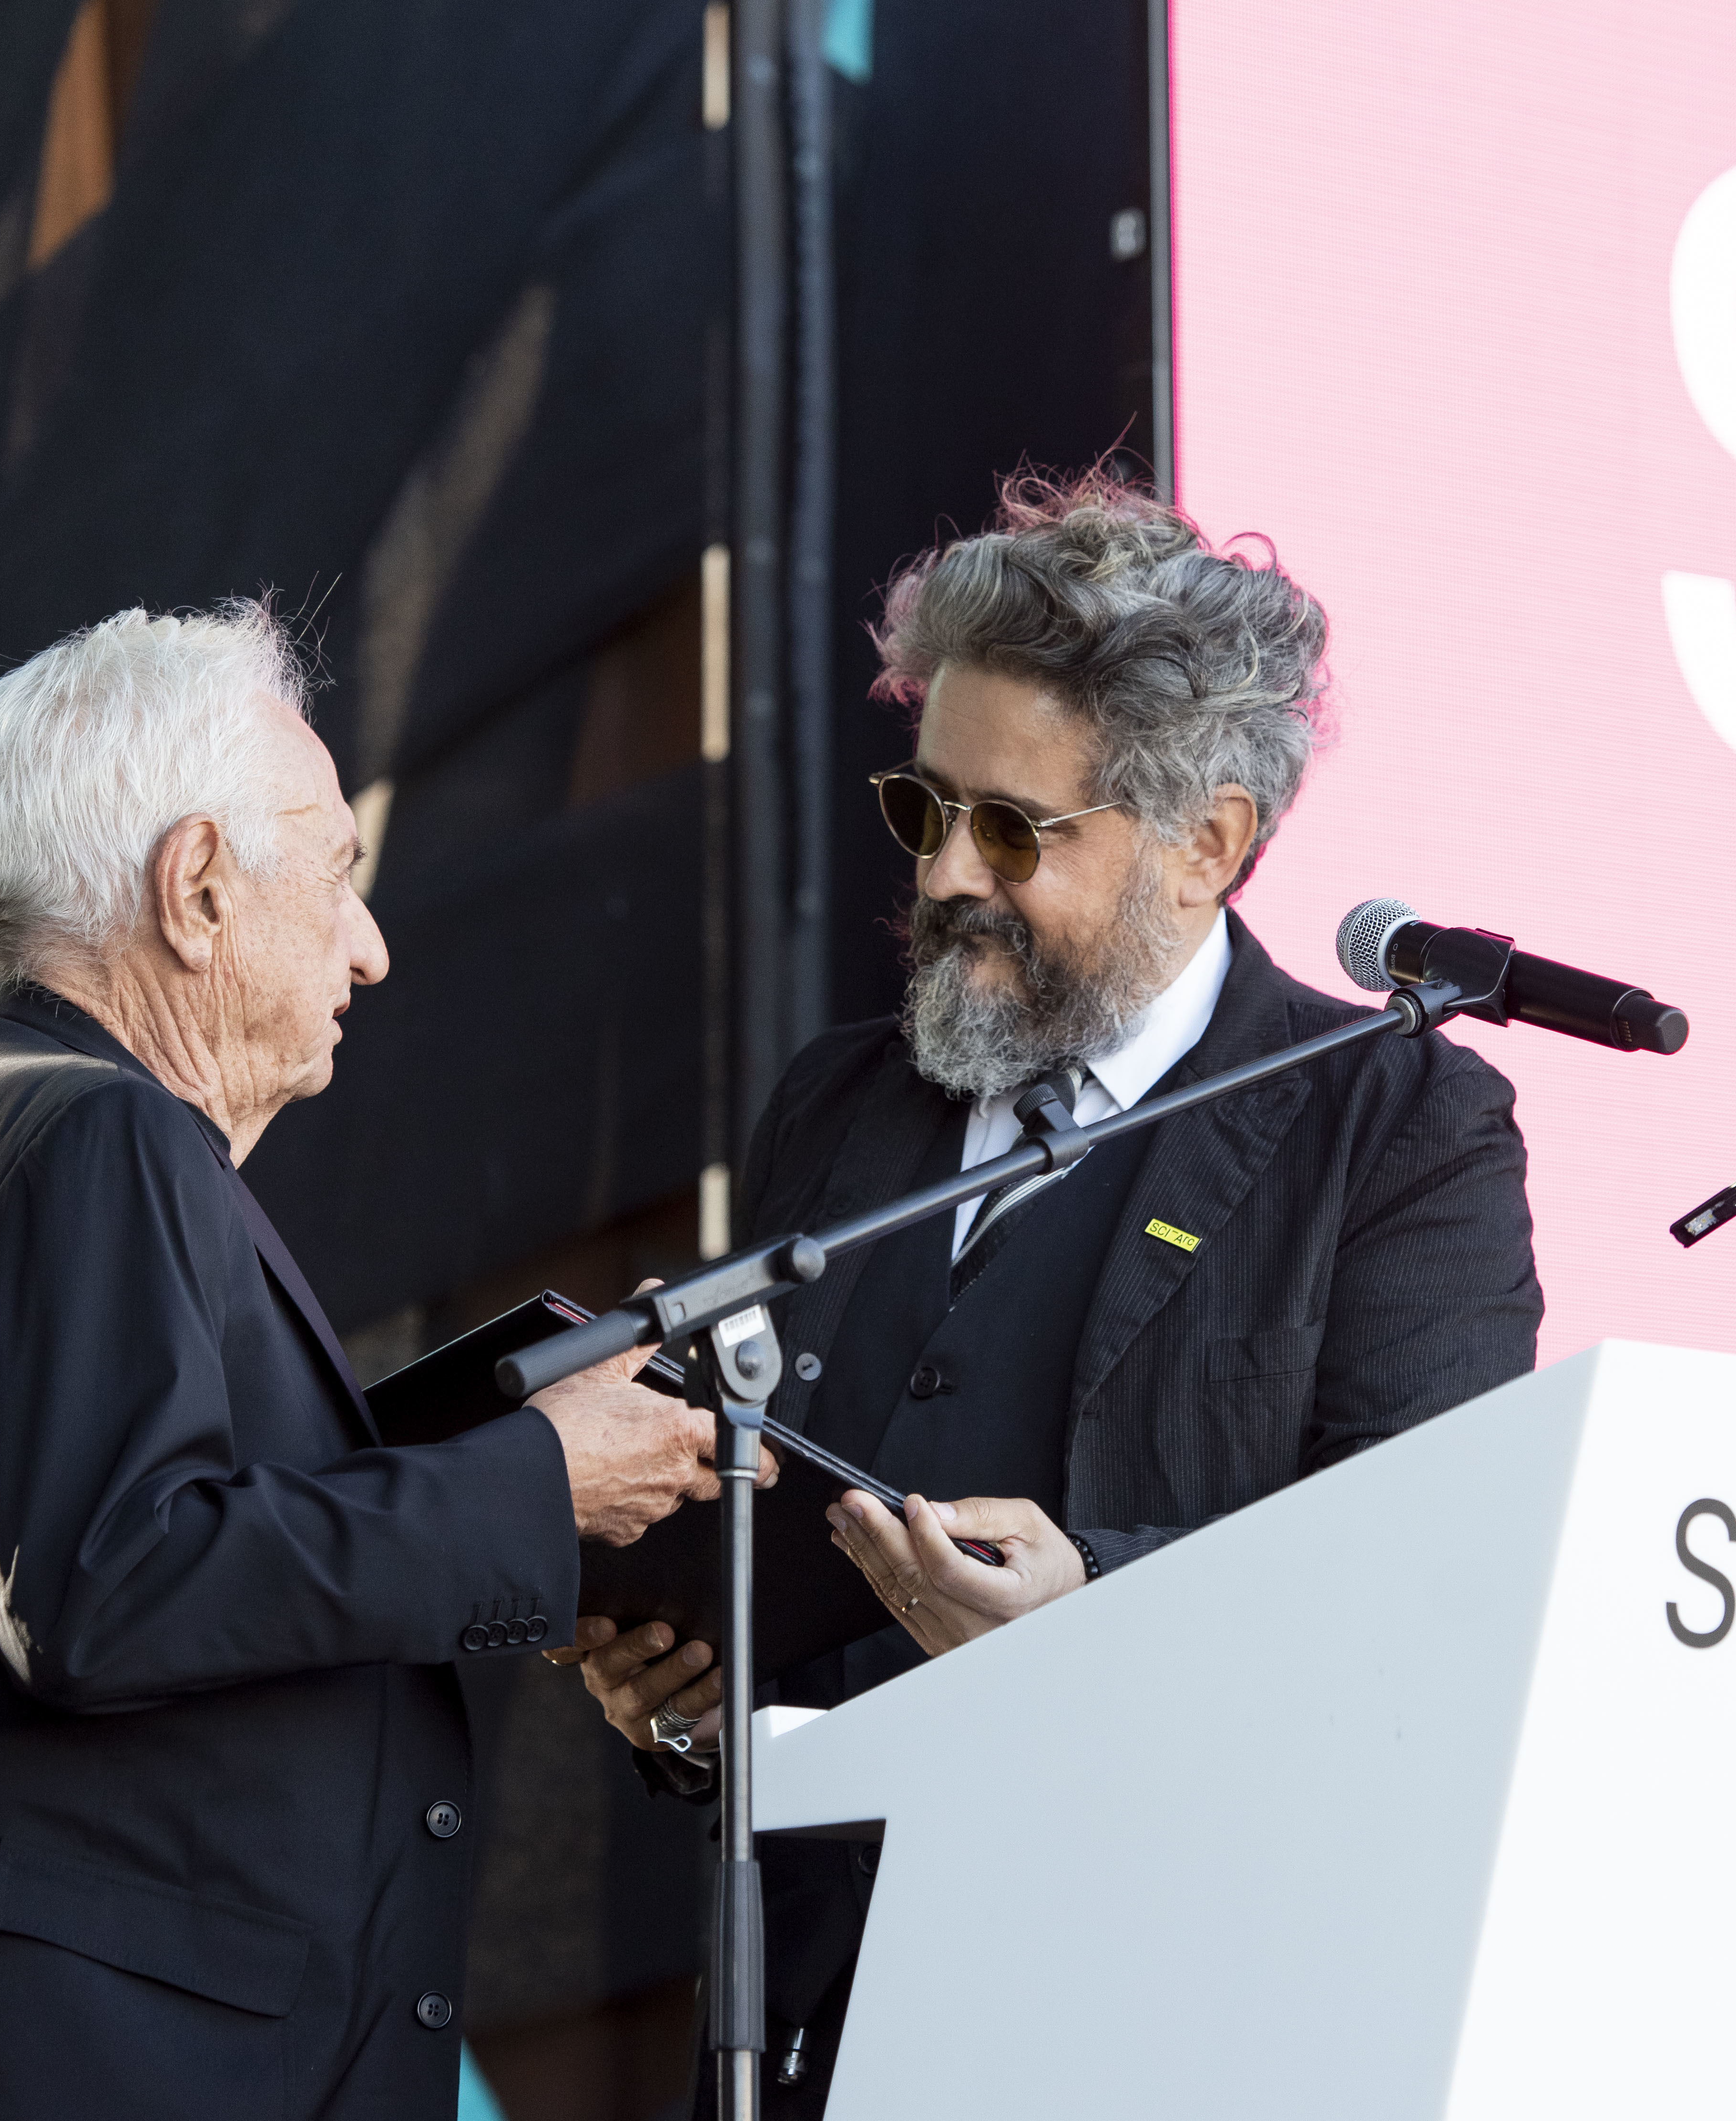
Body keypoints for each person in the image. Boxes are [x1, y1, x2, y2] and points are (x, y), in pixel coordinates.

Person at [0, 604, 749, 2120]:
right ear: (196, 888)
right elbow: (110, 1582)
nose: (371, 945)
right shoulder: (89, 1131)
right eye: (338, 874)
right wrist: (539, 1479)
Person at [552, 471, 1544, 2112]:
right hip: (816, 2031)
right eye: (919, 807)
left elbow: (1433, 1599)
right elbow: (792, 1593)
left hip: (1174, 2021)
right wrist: (686, 1705)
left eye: (1010, 828)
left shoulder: (1398, 1126)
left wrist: (1093, 1615)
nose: (944, 874)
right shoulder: (840, 1103)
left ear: (1206, 844)